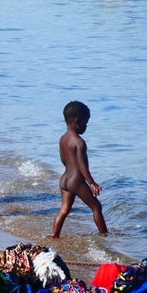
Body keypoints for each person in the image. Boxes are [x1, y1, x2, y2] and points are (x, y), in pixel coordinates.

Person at [50, 101, 107, 239]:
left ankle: (54, 234)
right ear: (77, 121)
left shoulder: (63, 138)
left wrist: (71, 169)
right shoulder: (79, 142)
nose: (86, 126)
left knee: (64, 209)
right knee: (96, 207)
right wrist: (91, 183)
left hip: (65, 179)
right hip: (76, 180)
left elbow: (63, 159)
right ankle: (105, 236)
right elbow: (82, 166)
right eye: (85, 122)